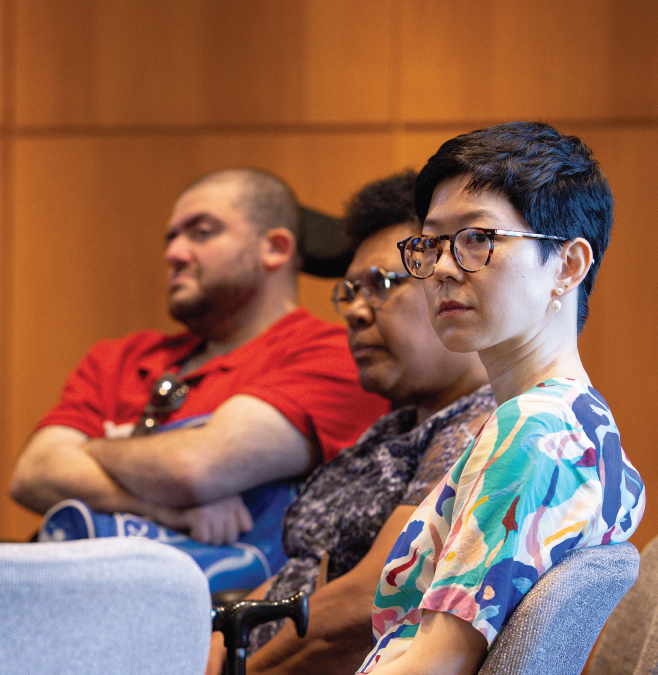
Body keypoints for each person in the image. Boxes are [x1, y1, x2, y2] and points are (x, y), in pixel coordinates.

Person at [9, 168, 388, 592]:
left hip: (223, 632)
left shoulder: (334, 353)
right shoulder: (118, 358)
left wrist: (90, 450)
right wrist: (172, 513)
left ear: (275, 248)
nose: (174, 252)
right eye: (171, 238)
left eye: (201, 233)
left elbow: (194, 469)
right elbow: (33, 473)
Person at [357, 122, 646, 674]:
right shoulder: (584, 423)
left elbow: (436, 666)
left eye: (476, 239)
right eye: (431, 243)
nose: (440, 268)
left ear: (568, 265)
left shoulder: (535, 433)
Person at [205, 170, 497, 675]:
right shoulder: (396, 427)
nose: (357, 311)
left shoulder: (476, 427)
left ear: (448, 289)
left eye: (382, 284)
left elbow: (371, 603)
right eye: (350, 291)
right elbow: (294, 577)